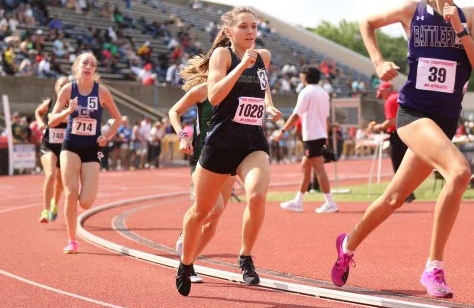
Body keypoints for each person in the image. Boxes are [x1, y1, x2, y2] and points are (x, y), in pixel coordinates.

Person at [332, 0, 474, 298]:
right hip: (413, 114)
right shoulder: (412, 10)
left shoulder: (469, 15)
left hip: (446, 120)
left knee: (394, 197)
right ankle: (433, 268)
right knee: (460, 173)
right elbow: (367, 23)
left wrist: (461, 31)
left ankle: (347, 244)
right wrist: (378, 61)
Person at [175, 7, 281, 296]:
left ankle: (245, 258)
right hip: (220, 144)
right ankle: (186, 263)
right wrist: (240, 67)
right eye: (244, 27)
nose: (250, 32)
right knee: (201, 212)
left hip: (252, 142)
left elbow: (263, 83)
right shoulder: (224, 57)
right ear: (229, 32)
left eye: (254, 27)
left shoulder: (263, 57)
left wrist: (268, 103)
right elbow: (214, 95)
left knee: (257, 196)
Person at [169, 56, 236, 284]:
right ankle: (186, 238)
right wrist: (182, 136)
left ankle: (188, 264)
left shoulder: (238, 88)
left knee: (215, 218)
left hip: (230, 157)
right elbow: (174, 111)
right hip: (202, 156)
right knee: (211, 209)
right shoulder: (202, 90)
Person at [48, 52, 122, 254]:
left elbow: (118, 119)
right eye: (85, 63)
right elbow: (51, 121)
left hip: (92, 148)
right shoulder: (68, 89)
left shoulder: (102, 92)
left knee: (86, 202)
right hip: (70, 145)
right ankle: (72, 240)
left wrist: (106, 136)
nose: (88, 67)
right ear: (76, 67)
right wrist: (67, 112)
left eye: (92, 64)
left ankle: (82, 191)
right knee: (71, 193)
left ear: (95, 70)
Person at [274, 65, 338, 214]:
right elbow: (327, 118)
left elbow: (296, 114)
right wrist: (326, 136)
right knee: (305, 168)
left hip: (312, 135)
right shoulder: (324, 93)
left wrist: (282, 130)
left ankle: (330, 202)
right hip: (318, 134)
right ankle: (298, 201)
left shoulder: (306, 92)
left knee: (318, 169)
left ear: (304, 77)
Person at [369, 81, 415, 203]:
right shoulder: (400, 96)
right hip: (408, 133)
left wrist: (379, 127)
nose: (379, 93)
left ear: (385, 90)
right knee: (406, 164)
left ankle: (404, 194)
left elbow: (392, 121)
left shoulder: (390, 100)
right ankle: (408, 193)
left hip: (398, 134)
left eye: (380, 90)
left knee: (398, 165)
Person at [35, 76, 70, 223]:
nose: (63, 88)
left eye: (66, 85)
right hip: (48, 145)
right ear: (56, 87)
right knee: (50, 174)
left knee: (60, 182)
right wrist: (41, 123)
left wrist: (57, 117)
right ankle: (45, 210)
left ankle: (55, 204)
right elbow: (38, 112)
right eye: (61, 85)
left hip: (65, 148)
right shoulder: (50, 103)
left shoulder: (73, 105)